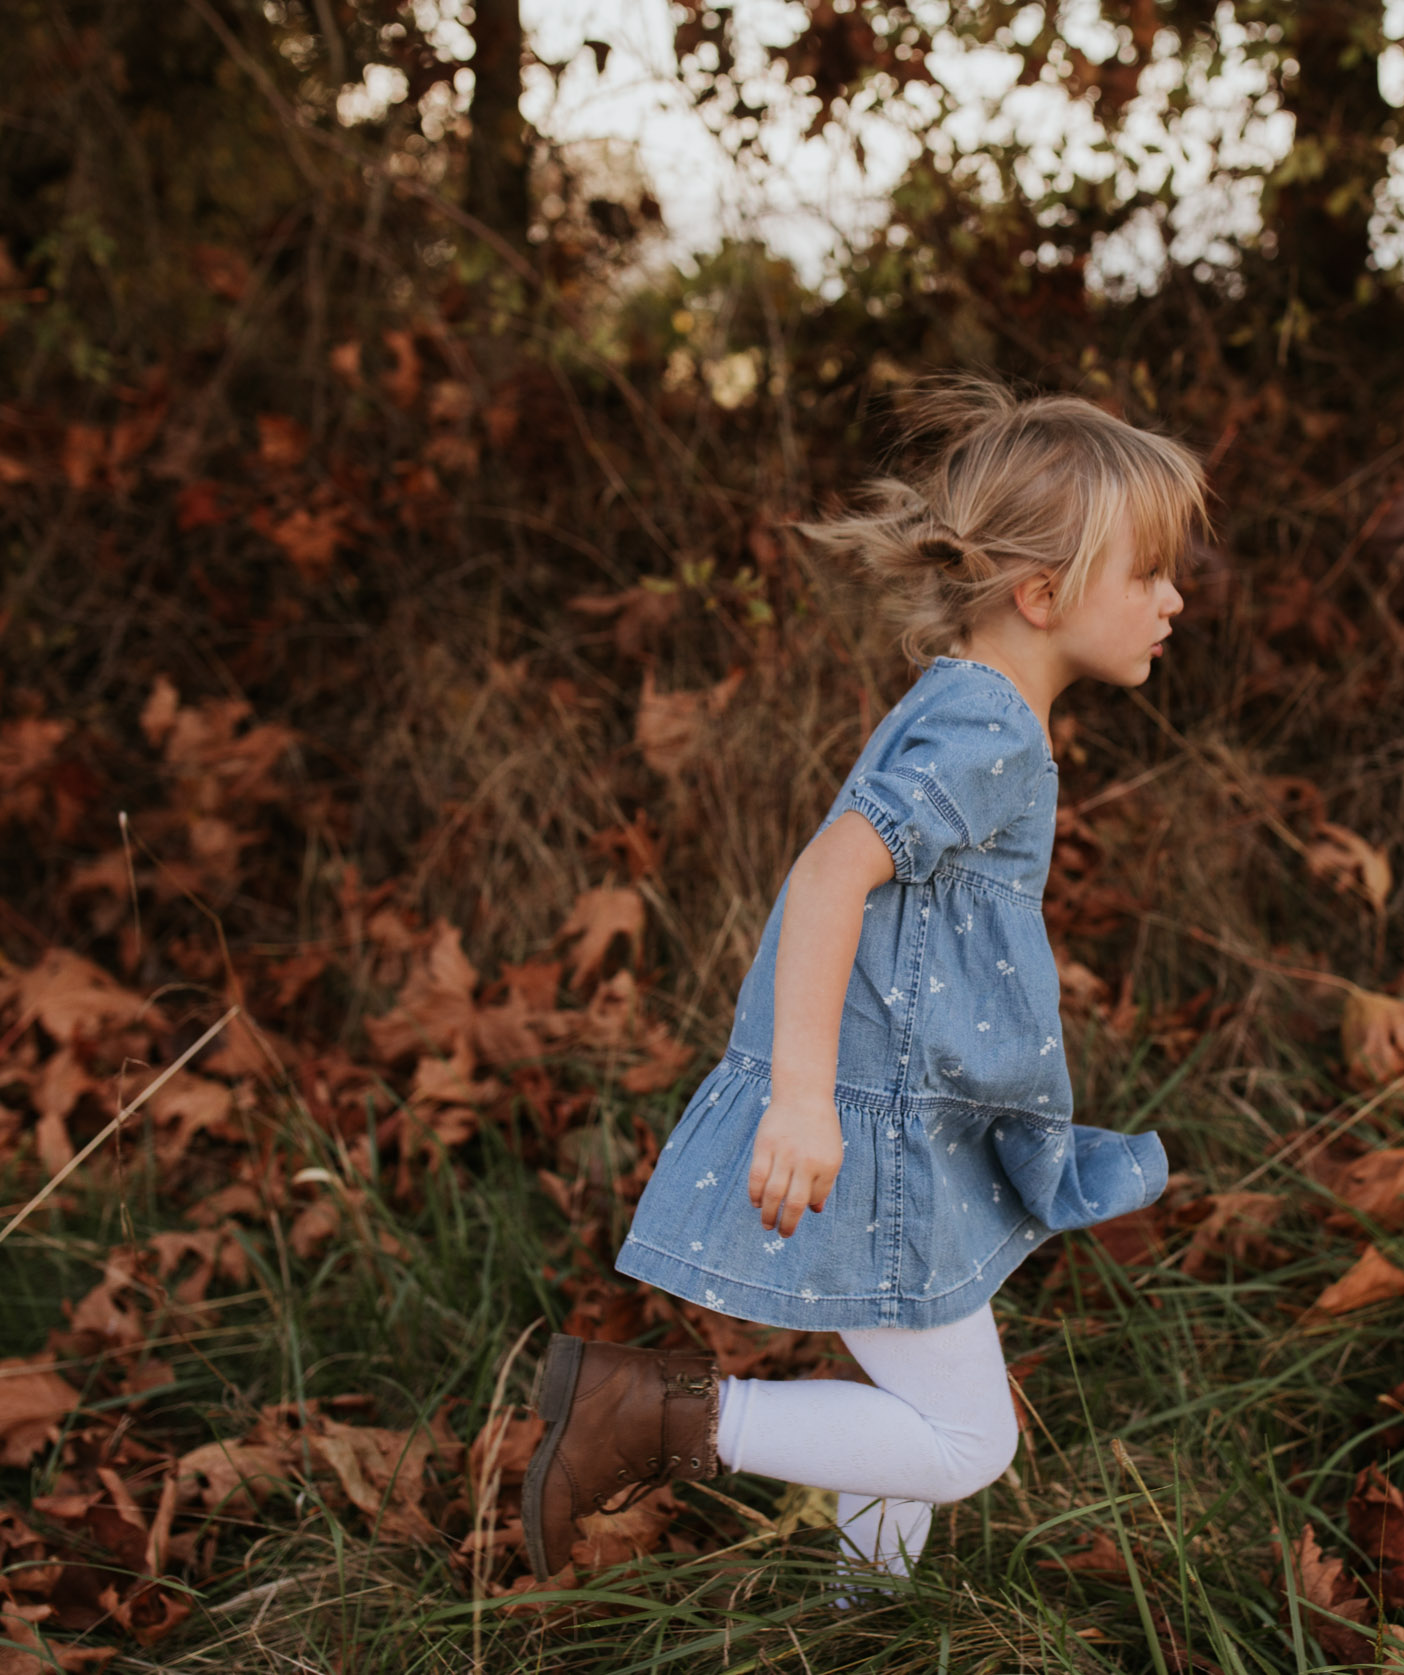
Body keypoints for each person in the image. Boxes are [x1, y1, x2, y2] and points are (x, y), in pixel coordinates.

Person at [519, 380, 1211, 1591]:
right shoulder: (989, 725)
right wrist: (801, 1096)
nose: (1174, 598)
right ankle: (656, 1416)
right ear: (1040, 595)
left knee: (911, 1395)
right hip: (877, 1122)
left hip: (910, 1112)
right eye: (1147, 572)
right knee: (965, 1436)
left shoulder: (968, 702)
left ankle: (861, 1609)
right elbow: (834, 869)